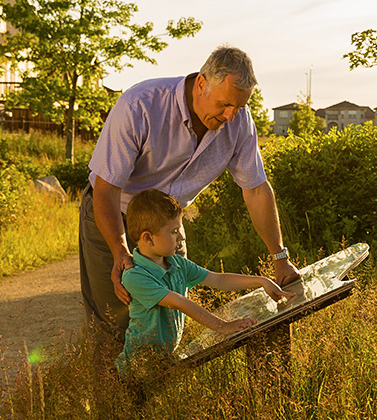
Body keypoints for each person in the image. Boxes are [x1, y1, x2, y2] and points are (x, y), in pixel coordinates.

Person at [79, 45, 300, 349]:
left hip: (168, 219)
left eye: (238, 106)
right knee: (115, 321)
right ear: (200, 84)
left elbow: (256, 189)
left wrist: (280, 259)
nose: (230, 115)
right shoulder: (139, 104)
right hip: (113, 211)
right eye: (224, 104)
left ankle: (158, 391)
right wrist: (119, 250)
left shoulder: (238, 119)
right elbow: (106, 188)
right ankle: (115, 395)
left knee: (169, 321)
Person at [114, 189, 294, 373]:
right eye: (174, 231)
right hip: (136, 369)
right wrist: (222, 326)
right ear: (148, 238)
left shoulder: (177, 263)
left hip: (163, 362)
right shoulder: (135, 276)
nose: (182, 237)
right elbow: (179, 302)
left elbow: (218, 279)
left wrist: (262, 281)